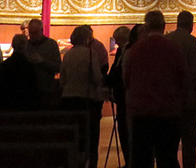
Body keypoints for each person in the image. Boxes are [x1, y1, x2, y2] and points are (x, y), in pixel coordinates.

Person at [123, 10, 186, 168]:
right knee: (168, 158)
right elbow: (183, 79)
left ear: (146, 26)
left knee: (142, 160)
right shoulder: (174, 48)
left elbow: (126, 80)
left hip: (141, 114)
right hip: (168, 112)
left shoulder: (134, 50)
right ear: (164, 26)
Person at [61, 25, 104, 168]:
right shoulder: (91, 53)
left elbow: (63, 79)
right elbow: (97, 78)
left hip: (68, 98)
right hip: (86, 98)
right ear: (87, 38)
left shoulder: (68, 54)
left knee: (74, 136)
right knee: (91, 137)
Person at [166, 11, 196, 168]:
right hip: (188, 101)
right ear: (191, 24)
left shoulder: (167, 40)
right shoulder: (192, 42)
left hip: (169, 100)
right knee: (189, 145)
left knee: (169, 144)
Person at [106, 25, 131, 163]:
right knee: (123, 131)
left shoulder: (126, 50)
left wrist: (105, 81)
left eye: (117, 40)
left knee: (126, 131)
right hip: (122, 97)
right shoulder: (122, 50)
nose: (115, 43)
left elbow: (117, 72)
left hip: (126, 97)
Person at [26, 18, 61, 107]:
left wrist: (42, 62)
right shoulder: (26, 45)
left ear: (42, 31)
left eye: (35, 33)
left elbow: (58, 67)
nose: (32, 36)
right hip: (29, 89)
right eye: (31, 33)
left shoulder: (51, 44)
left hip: (47, 89)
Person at [0, 33, 39, 110]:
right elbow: (33, 88)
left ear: (13, 45)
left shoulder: (5, 64)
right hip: (26, 104)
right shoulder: (30, 65)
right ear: (26, 46)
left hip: (8, 104)